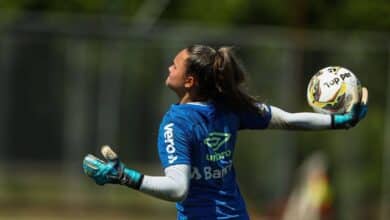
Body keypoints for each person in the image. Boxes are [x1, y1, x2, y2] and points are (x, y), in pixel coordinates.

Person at [82, 44, 368, 220]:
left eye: (175, 64)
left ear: (190, 81)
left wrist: (125, 177)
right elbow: (289, 119)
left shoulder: (176, 123)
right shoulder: (229, 107)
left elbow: (178, 189)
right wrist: (340, 121)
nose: (169, 67)